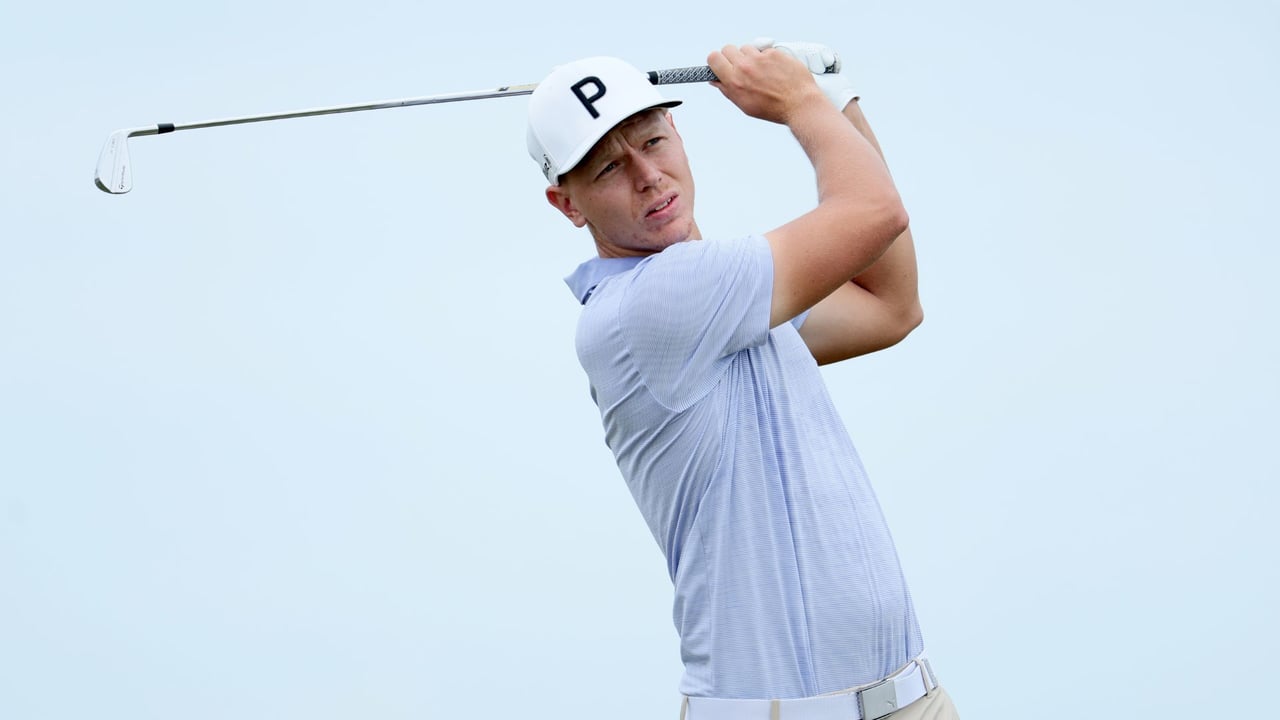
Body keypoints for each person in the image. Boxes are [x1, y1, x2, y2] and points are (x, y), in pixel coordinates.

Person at [527, 40, 959, 720]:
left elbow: (891, 305)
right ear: (568, 205)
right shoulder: (657, 303)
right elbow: (875, 213)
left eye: (652, 139)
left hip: (911, 700)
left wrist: (836, 101)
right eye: (609, 165)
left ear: (680, 133)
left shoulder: (731, 300)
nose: (647, 174)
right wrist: (800, 102)